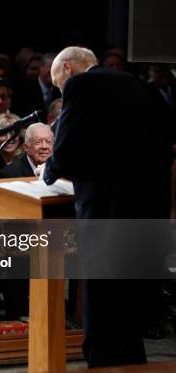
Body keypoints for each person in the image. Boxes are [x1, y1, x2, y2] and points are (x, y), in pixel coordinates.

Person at [44, 46, 171, 368]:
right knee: (130, 301)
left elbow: (67, 147)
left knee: (101, 300)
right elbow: (168, 136)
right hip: (148, 208)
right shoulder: (139, 84)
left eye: (57, 82)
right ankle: (132, 363)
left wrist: (50, 171)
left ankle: (102, 364)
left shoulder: (79, 85)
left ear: (68, 68)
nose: (61, 88)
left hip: (106, 211)